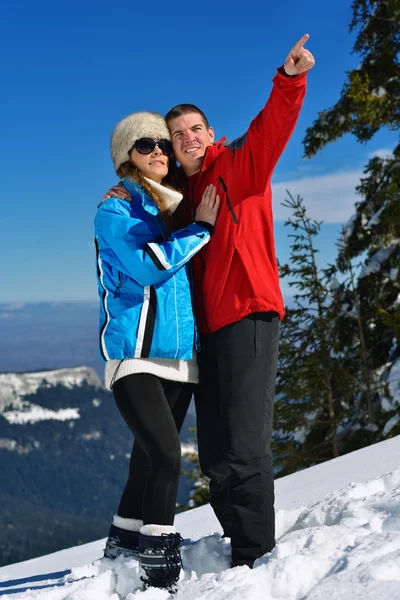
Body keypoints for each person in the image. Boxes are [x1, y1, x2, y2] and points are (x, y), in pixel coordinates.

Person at [104, 34, 315, 569]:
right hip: (206, 335)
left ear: (210, 134)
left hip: (247, 316)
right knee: (217, 455)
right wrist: (122, 187)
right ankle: (239, 544)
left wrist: (289, 81)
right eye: (175, 136)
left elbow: (271, 131)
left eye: (194, 129)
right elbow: (143, 213)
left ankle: (255, 556)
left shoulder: (238, 167)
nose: (185, 140)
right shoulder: (179, 199)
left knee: (244, 447)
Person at [94, 110, 220, 591]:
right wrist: (200, 229)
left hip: (180, 359)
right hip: (136, 356)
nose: (160, 151)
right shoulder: (116, 210)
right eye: (146, 145)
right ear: (127, 156)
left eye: (163, 144)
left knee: (146, 461)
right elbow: (147, 266)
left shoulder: (172, 205)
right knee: (167, 455)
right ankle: (159, 571)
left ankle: (119, 555)